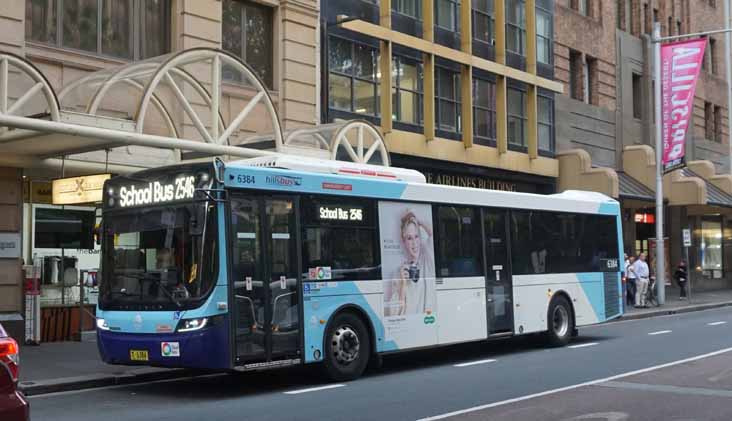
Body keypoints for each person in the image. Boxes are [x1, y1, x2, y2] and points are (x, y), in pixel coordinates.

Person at [384, 210, 436, 316]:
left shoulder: (428, 261)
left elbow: (436, 237)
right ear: (404, 241)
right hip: (408, 326)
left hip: (427, 323)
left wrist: (418, 220)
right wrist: (403, 284)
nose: (414, 243)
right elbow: (393, 314)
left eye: (416, 236)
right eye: (409, 238)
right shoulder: (398, 273)